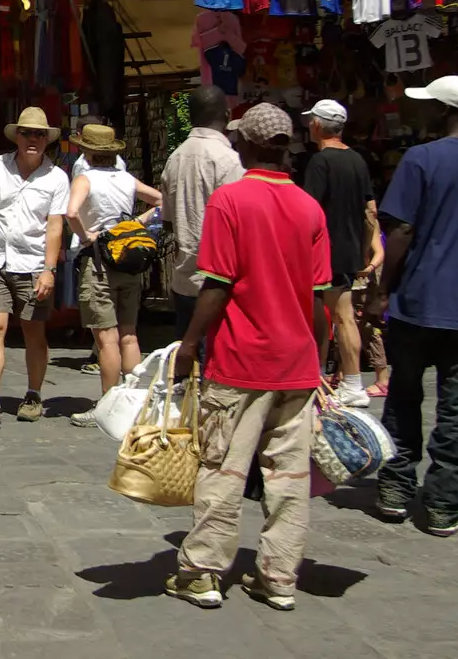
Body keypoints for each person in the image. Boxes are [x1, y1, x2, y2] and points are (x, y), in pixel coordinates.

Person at [167, 103, 329, 612]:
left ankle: (203, 572)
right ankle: (279, 577)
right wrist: (320, 363)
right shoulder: (309, 207)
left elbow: (215, 285)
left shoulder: (230, 201)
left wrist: (190, 344)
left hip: (241, 358)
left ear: (247, 145)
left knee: (223, 468)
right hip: (296, 362)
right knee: (288, 478)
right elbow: (321, 299)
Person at [372, 76, 458, 537]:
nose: (416, 113)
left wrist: (383, 289)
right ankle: (443, 505)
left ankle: (395, 491)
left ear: (444, 111)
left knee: (404, 396)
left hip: (417, 302)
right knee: (457, 405)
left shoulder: (421, 159)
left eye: (426, 106)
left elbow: (399, 231)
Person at [0, 107, 70, 426]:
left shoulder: (57, 178)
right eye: (27, 133)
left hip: (33, 264)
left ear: (46, 139)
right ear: (16, 136)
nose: (33, 139)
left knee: (34, 331)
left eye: (39, 134)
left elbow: (55, 226)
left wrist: (49, 269)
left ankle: (33, 393)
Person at [65, 124, 162, 427]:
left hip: (99, 263)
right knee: (129, 334)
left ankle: (107, 405)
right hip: (127, 262)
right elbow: (161, 200)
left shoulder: (85, 179)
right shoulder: (126, 179)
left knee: (107, 339)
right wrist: (134, 226)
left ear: (87, 151)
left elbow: (71, 213)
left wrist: (86, 236)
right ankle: (134, 405)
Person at [300, 99, 384, 407]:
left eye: (312, 121)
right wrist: (364, 251)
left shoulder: (319, 163)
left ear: (319, 125)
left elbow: (308, 210)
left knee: (326, 317)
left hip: (324, 253)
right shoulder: (358, 161)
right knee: (344, 316)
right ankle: (352, 384)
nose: (309, 126)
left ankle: (320, 379)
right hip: (349, 252)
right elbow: (370, 211)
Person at [161, 86, 244, 343]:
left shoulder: (174, 158)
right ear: (227, 115)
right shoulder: (230, 160)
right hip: (218, 284)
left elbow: (168, 223)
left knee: (186, 366)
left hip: (185, 279)